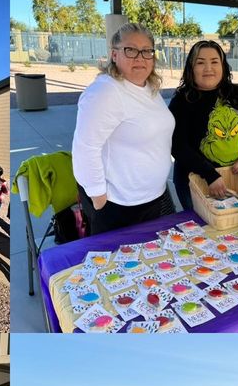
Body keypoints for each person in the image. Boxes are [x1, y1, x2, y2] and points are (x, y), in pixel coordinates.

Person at [73, 22, 175, 236]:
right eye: (130, 49)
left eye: (147, 51)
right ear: (114, 54)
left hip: (151, 199)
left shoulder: (149, 87)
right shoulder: (105, 91)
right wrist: (98, 198)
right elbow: (85, 148)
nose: (140, 57)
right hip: (119, 206)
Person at [168, 40, 238, 209]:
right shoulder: (181, 100)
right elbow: (177, 145)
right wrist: (210, 175)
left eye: (214, 62)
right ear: (191, 68)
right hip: (194, 182)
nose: (208, 68)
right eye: (200, 62)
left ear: (223, 66)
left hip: (235, 179)